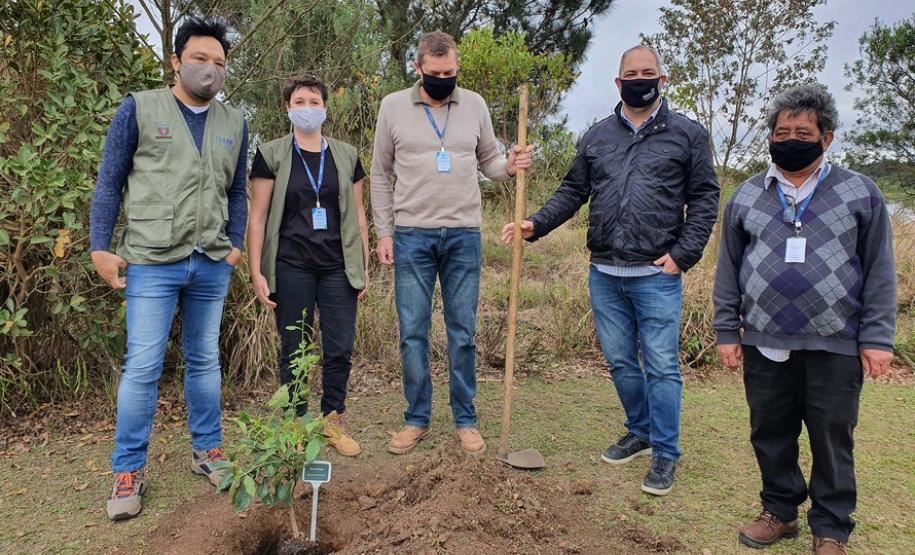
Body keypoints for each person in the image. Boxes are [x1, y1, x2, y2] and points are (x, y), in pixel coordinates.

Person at [502, 45, 719, 496]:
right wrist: (535, 223)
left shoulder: (688, 135)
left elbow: (704, 199)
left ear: (662, 79)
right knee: (621, 362)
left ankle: (664, 452)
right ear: (618, 83)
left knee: (660, 366)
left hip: (658, 274)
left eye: (648, 73)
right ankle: (640, 431)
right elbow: (573, 189)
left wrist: (684, 254)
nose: (639, 80)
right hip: (605, 271)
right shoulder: (598, 136)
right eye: (630, 74)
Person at [713, 85, 895, 555]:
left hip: (836, 342)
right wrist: (726, 331)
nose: (791, 138)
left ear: (826, 138)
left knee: (832, 436)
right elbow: (728, 268)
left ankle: (831, 527)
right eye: (782, 131)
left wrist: (877, 338)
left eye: (803, 131)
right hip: (763, 340)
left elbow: (879, 269)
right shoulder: (747, 195)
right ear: (770, 137)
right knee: (770, 431)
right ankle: (780, 512)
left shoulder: (861, 192)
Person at [89, 17, 248, 521]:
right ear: (176, 61)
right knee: (143, 366)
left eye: (219, 63)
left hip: (211, 261)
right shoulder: (139, 107)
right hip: (152, 260)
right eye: (200, 59)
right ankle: (128, 470)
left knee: (204, 361)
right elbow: (110, 182)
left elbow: (238, 191)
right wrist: (99, 246)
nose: (210, 69)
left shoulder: (234, 122)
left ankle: (208, 452)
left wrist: (236, 244)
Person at [371, 31, 533, 455]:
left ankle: (466, 419)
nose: (445, 79)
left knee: (463, 331)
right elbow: (379, 175)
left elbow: (490, 164)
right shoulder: (392, 107)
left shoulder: (474, 104)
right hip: (412, 236)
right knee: (413, 333)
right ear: (418, 68)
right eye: (436, 73)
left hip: (463, 234)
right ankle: (416, 418)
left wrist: (511, 164)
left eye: (452, 72)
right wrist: (384, 232)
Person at [247, 74, 369, 457]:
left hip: (338, 266)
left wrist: (362, 265)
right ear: (287, 108)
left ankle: (333, 420)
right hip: (291, 264)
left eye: (314, 101)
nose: (307, 108)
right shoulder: (272, 154)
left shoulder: (347, 156)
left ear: (325, 107)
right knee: (294, 347)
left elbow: (360, 215)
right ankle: (296, 425)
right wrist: (257, 270)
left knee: (339, 348)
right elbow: (258, 217)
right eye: (299, 102)